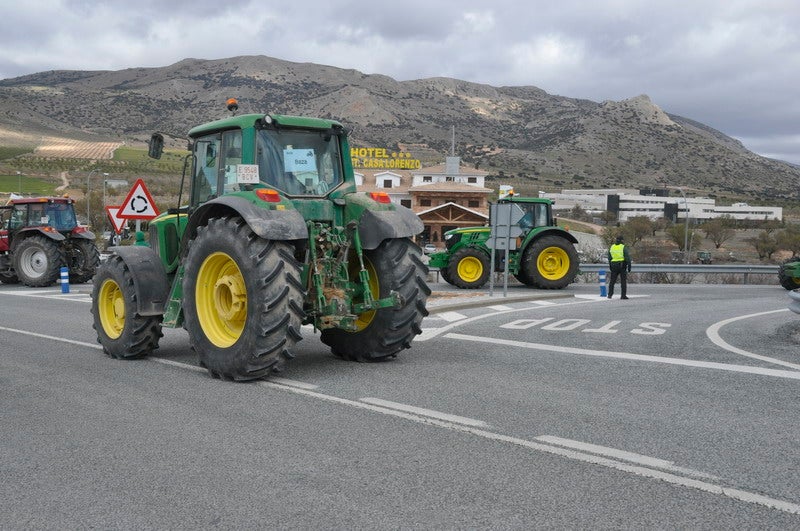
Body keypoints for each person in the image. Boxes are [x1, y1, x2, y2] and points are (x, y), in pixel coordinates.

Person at [607, 234, 631, 299]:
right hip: (622, 265)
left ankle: (610, 294)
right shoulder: (623, 247)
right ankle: (623, 295)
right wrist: (629, 266)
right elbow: (627, 257)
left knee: (612, 281)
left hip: (613, 265)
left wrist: (610, 265)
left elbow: (609, 257)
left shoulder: (612, 247)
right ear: (622, 240)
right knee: (623, 281)